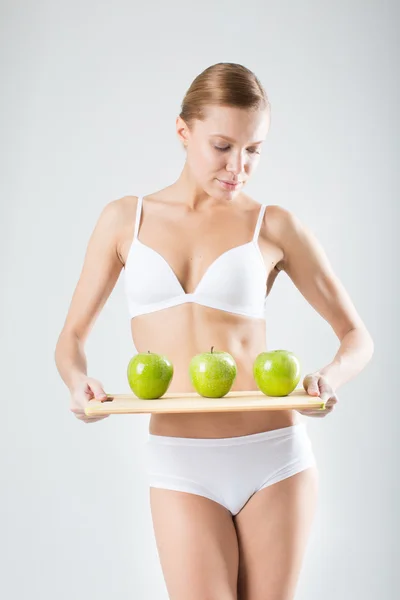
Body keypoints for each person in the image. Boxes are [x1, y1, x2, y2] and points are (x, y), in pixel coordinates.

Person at [54, 62, 374, 600]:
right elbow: (71, 339)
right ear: (183, 132)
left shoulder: (273, 224)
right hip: (181, 461)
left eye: (254, 150)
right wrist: (77, 381)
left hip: (274, 453)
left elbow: (357, 336)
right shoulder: (123, 220)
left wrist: (328, 377)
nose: (239, 167)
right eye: (223, 146)